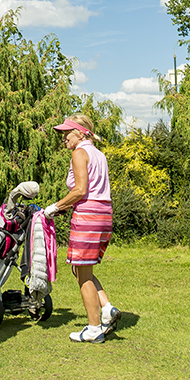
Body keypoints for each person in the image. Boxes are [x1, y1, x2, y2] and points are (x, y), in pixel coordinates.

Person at [43, 114, 121, 343]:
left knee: (83, 274)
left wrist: (55, 207)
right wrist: (66, 207)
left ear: (80, 132)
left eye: (67, 133)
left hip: (88, 216)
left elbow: (80, 190)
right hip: (104, 214)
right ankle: (106, 308)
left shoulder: (79, 153)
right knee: (81, 268)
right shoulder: (99, 154)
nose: (63, 138)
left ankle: (94, 328)